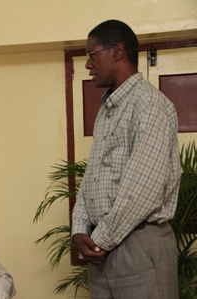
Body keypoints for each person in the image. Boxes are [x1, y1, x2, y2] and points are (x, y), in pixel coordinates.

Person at [71, 19, 182, 299]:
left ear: (118, 51)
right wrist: (79, 229)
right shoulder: (106, 111)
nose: (87, 64)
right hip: (103, 250)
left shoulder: (150, 106)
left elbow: (142, 190)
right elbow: (92, 178)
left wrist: (100, 240)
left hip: (138, 247)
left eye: (92, 55)